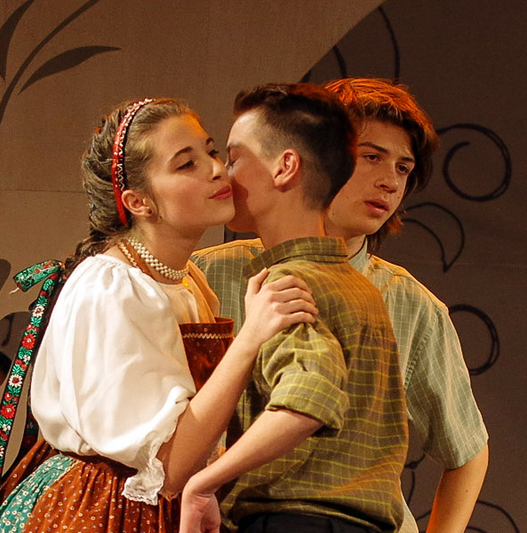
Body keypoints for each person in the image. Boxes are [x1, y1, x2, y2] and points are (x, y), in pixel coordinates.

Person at [0, 98, 318, 533]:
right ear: (139, 202)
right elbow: (169, 464)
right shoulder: (111, 290)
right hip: (104, 510)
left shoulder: (188, 279)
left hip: (162, 505)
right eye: (186, 164)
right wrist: (251, 337)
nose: (217, 170)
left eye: (212, 152)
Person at [190, 78, 489, 532]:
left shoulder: (411, 304)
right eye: (371, 157)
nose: (389, 181)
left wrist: (204, 483)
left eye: (404, 168)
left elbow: (466, 449)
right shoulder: (209, 275)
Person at [180, 83, 409, 533]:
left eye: (234, 158)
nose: (223, 174)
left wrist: (204, 483)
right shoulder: (355, 283)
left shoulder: (288, 283)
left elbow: (310, 396)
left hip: (294, 520)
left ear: (285, 167)